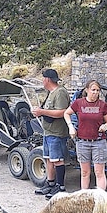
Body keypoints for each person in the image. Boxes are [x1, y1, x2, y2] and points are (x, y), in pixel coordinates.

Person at [63, 80, 107, 190]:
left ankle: (100, 199)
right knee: (85, 172)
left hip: (98, 142)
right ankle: (84, 197)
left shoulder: (102, 105)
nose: (95, 93)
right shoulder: (79, 103)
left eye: (98, 90)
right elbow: (66, 113)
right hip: (82, 142)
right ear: (87, 90)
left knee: (99, 172)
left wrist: (106, 126)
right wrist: (70, 126)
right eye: (93, 90)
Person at [32, 69, 70, 200]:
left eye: (43, 78)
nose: (42, 81)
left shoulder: (60, 92)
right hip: (48, 131)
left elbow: (62, 112)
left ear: (47, 79)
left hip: (57, 132)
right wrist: (40, 111)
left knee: (58, 160)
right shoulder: (51, 92)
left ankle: (60, 187)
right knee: (49, 158)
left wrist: (42, 112)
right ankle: (50, 183)